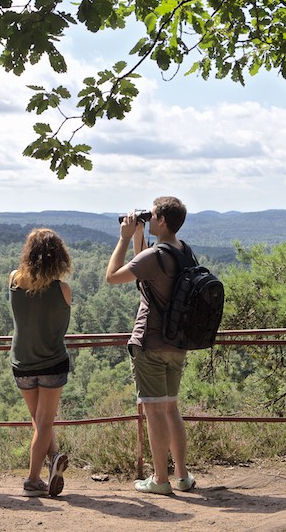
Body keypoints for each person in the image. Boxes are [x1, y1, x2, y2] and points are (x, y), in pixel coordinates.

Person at [105, 196, 195, 495]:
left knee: (155, 411)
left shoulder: (153, 256)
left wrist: (124, 239)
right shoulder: (184, 251)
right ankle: (182, 476)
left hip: (150, 342)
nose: (150, 217)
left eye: (152, 215)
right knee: (171, 408)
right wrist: (140, 238)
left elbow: (113, 277)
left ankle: (160, 480)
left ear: (163, 221)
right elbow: (146, 268)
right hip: (177, 342)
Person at [9, 228, 73, 497]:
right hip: (52, 362)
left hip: (22, 361)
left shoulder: (13, 280)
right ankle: (33, 480)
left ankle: (55, 457)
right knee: (44, 422)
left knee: (38, 420)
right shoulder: (63, 290)